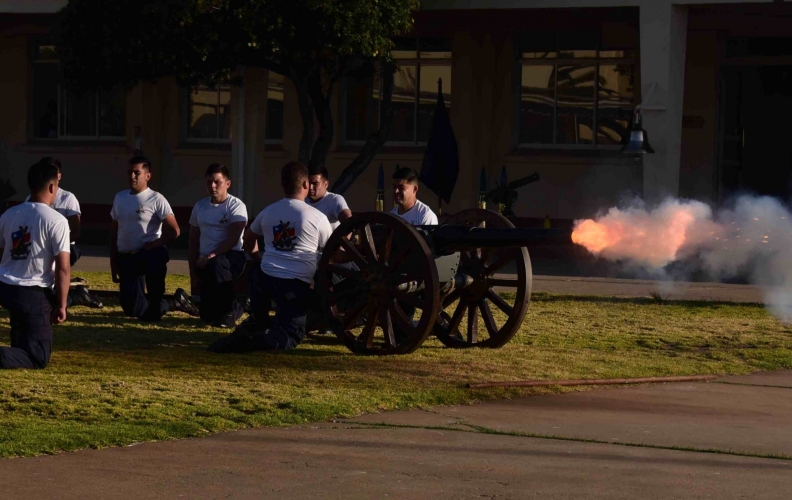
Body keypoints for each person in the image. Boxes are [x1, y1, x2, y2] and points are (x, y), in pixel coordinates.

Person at [208, 161, 332, 353]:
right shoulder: (317, 217)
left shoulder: (269, 211)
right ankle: (249, 342)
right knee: (290, 336)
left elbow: (248, 237)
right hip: (295, 285)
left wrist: (258, 256)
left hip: (264, 280)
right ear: (306, 185)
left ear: (283, 185)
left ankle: (249, 332)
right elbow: (332, 251)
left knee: (264, 323)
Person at [109, 156, 198, 322]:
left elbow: (175, 230)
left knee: (157, 257)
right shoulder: (120, 198)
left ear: (147, 176)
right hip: (127, 257)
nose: (132, 176)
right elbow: (114, 231)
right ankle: (173, 302)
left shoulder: (156, 199)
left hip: (148, 254)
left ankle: (158, 304)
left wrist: (155, 243)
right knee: (132, 310)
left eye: (137, 172)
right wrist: (113, 262)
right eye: (129, 172)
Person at [0, 160, 70, 369]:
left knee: (22, 339)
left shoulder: (8, 215)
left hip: (6, 287)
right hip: (33, 291)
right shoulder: (56, 220)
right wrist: (62, 304)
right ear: (51, 187)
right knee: (37, 357)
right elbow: (63, 267)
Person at [25, 157, 102, 309]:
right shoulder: (31, 198)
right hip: (38, 248)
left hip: (65, 247)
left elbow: (75, 231)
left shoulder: (67, 198)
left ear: (59, 175)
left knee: (48, 298)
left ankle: (73, 297)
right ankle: (74, 295)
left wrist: (54, 247)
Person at [188, 163, 248, 328]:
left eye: (217, 182)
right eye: (209, 182)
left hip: (230, 258)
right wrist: (193, 273)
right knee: (207, 315)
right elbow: (193, 241)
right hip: (205, 261)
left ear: (227, 184)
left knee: (217, 264)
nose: (212, 186)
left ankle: (234, 309)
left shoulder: (236, 206)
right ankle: (231, 305)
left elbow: (234, 238)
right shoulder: (200, 206)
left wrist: (211, 256)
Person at [307, 165, 352, 230]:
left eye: (315, 183)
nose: (310, 187)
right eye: (308, 183)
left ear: (326, 184)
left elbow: (350, 225)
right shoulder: (301, 201)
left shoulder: (334, 200)